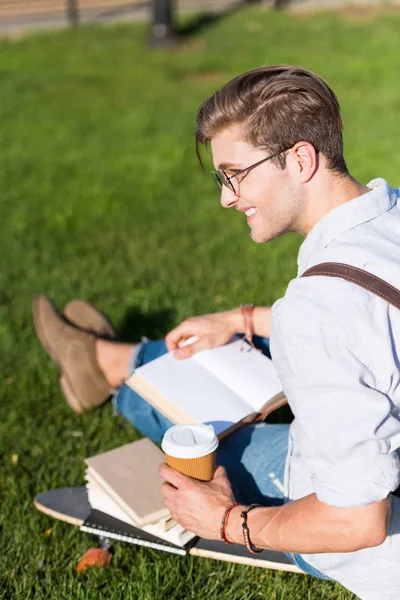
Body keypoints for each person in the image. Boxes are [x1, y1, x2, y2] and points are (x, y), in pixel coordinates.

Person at [33, 65, 400, 599]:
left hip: (371, 545)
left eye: (236, 173)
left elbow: (356, 523)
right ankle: (112, 360)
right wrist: (242, 321)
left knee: (195, 442)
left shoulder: (317, 311)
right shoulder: (389, 215)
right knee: (224, 353)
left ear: (299, 159)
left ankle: (109, 367)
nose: (227, 197)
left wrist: (230, 522)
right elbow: (366, 320)